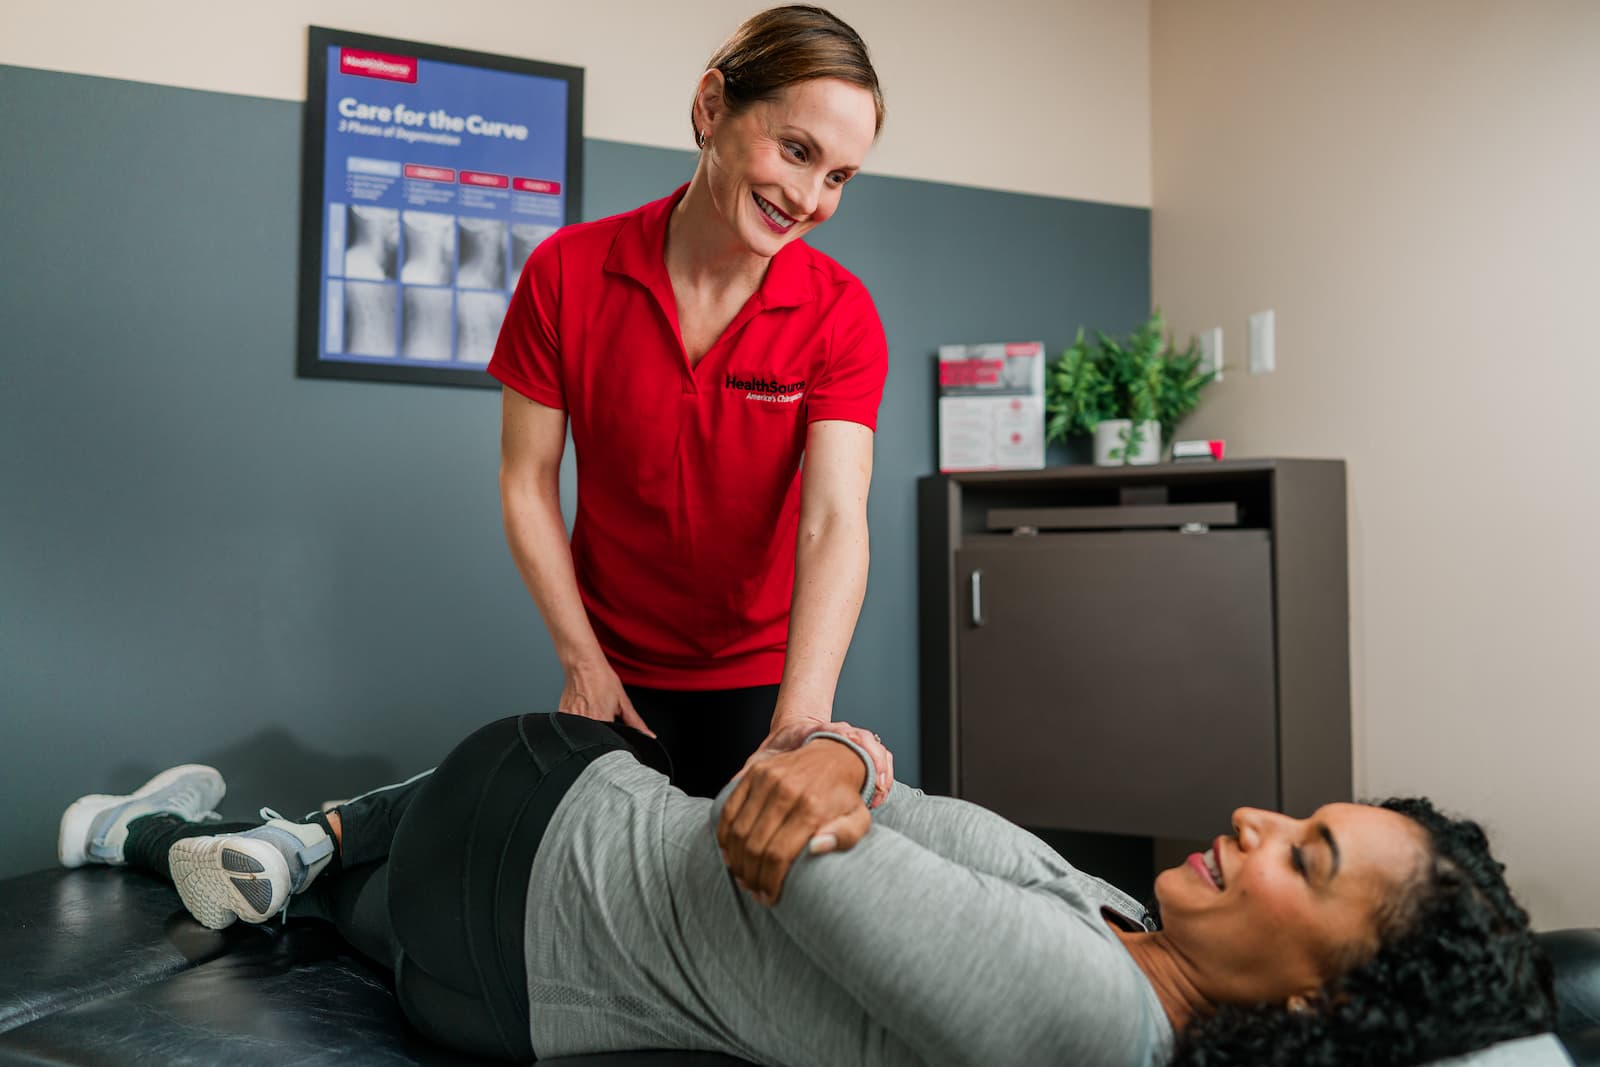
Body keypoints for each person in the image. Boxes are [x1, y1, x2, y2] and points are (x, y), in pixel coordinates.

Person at [60, 713, 1553, 1067]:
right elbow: (853, 789)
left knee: (581, 737)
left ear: (1323, 995)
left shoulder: (1100, 1017)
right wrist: (842, 751)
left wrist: (830, 767)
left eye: (1306, 853)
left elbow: (784, 832)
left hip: (516, 893)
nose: (1256, 813)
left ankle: (295, 836)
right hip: (511, 921)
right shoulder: (1130, 942)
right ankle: (204, 840)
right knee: (316, 886)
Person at [488, 5, 894, 799]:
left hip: (762, 676)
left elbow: (834, 519)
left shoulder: (841, 314)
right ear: (712, 108)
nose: (811, 198)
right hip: (613, 667)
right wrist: (582, 661)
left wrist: (802, 714)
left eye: (839, 176)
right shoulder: (566, 272)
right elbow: (526, 479)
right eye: (797, 150)